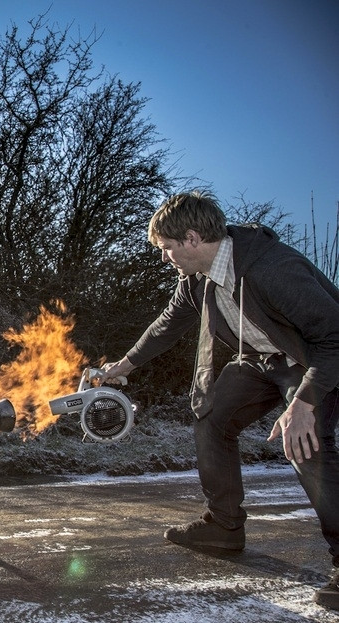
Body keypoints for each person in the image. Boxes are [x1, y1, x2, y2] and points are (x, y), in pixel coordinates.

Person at [101, 190, 339, 609]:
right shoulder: (196, 279)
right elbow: (167, 324)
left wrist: (303, 405)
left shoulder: (272, 268)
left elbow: (334, 337)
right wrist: (124, 365)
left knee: (306, 443)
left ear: (193, 238)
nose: (165, 257)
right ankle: (224, 526)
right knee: (211, 415)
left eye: (168, 248)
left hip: (311, 360)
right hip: (259, 360)